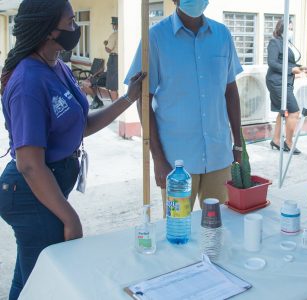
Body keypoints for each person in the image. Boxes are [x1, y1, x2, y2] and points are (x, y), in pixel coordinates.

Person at [0, 1, 145, 299]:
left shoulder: (58, 67)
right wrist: (70, 218)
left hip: (47, 187)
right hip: (30, 192)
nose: (76, 29)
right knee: (42, 283)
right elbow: (30, 164)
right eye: (70, 23)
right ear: (48, 30)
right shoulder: (29, 80)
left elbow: (80, 126)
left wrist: (128, 99)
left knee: (30, 277)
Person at [125, 0, 243, 210]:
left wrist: (238, 143)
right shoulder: (156, 38)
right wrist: (158, 158)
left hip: (219, 154)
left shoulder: (222, 35)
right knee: (177, 233)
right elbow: (143, 99)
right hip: (176, 162)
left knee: (218, 226)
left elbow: (231, 91)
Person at [266, 19, 307, 155]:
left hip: (286, 82)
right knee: (294, 111)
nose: (291, 31)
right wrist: (291, 70)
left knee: (282, 111)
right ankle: (288, 142)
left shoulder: (287, 44)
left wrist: (300, 68)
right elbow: (272, 63)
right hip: (277, 81)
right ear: (281, 28)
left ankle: (276, 140)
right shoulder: (275, 42)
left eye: (292, 28)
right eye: (288, 28)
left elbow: (287, 62)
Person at [87, 16, 119, 109]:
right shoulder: (126, 33)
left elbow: (109, 49)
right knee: (117, 82)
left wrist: (106, 44)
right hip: (123, 59)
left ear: (115, 25)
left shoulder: (114, 35)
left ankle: (115, 108)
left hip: (114, 59)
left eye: (113, 24)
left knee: (113, 86)